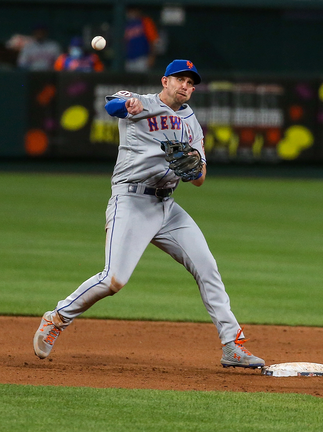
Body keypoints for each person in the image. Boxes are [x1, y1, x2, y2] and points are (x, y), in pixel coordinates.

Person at [33, 59, 265, 370]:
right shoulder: (141, 103)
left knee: (207, 268)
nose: (187, 86)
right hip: (131, 201)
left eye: (191, 83)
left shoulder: (191, 123)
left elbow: (199, 179)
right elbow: (112, 107)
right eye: (181, 79)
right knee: (113, 280)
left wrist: (195, 165)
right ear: (165, 80)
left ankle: (232, 345)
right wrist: (127, 103)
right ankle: (58, 317)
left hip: (167, 208)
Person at [125, 7, 160, 72]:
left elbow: (154, 40)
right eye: (130, 11)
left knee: (141, 80)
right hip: (127, 59)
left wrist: (152, 56)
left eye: (134, 10)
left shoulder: (145, 21)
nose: (132, 13)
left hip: (142, 58)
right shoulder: (124, 22)